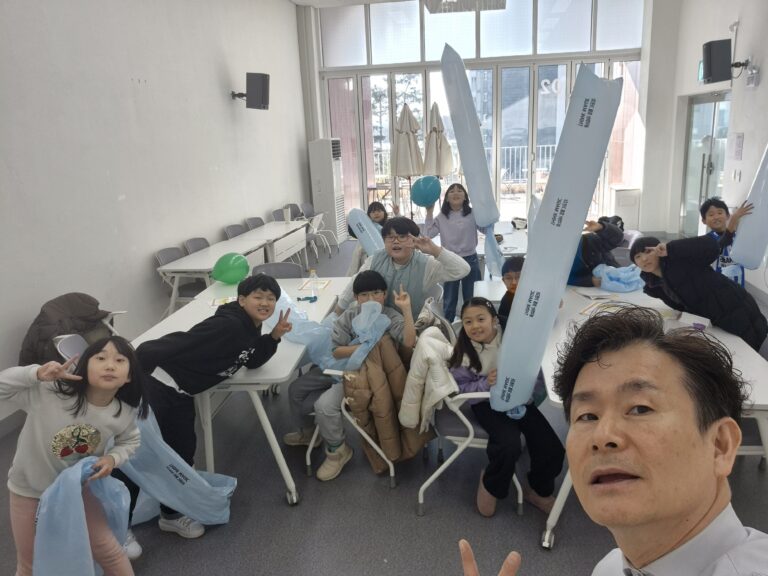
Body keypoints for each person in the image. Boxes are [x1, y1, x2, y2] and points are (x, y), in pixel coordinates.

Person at [553, 305, 768, 575]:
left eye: (640, 409)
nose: (602, 436)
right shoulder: (609, 568)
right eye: (587, 416)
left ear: (720, 446)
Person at [133, 274, 292, 539]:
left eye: (271, 298)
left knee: (183, 450)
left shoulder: (250, 326)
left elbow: (250, 359)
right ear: (242, 300)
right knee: (151, 454)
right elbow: (175, 343)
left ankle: (170, 512)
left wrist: (274, 336)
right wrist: (130, 371)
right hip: (159, 387)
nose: (265, 303)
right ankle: (129, 527)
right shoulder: (228, 326)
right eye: (258, 297)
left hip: (181, 393)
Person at [0, 336, 149, 576]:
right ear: (84, 366)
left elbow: (130, 441)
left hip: (78, 491)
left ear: (129, 376)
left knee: (109, 550)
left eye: (120, 361)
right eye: (101, 358)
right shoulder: (49, 392)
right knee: (29, 564)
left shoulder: (122, 413)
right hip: (28, 491)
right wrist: (35, 373)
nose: (110, 365)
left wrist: (112, 458)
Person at [284, 270, 416, 481]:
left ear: (385, 294)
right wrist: (367, 346)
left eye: (376, 293)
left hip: (364, 377)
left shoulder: (390, 316)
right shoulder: (349, 316)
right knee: (295, 389)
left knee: (324, 406)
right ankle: (308, 434)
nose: (370, 299)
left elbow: (409, 341)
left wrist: (407, 310)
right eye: (364, 295)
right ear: (356, 298)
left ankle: (337, 451)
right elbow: (336, 351)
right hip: (338, 367)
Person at [448, 297, 564, 518]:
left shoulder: (513, 338)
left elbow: (536, 370)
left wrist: (527, 394)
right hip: (485, 402)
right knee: (508, 444)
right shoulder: (463, 351)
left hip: (519, 399)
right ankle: (491, 484)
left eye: (480, 319)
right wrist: (485, 383)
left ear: (494, 320)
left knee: (551, 448)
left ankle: (537, 490)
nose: (474, 326)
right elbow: (459, 388)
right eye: (468, 322)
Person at [630, 235, 767, 352]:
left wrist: (671, 248)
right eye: (638, 256)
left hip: (733, 307)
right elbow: (683, 305)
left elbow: (712, 247)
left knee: (749, 349)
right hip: (715, 319)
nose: (644, 259)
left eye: (648, 251)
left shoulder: (679, 260)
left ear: (659, 249)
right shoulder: (653, 286)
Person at [336, 216, 471, 319]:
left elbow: (463, 270)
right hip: (377, 324)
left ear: (414, 239)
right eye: (390, 237)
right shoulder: (375, 259)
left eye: (402, 236)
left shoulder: (426, 264)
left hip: (410, 328)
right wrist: (337, 313)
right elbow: (355, 283)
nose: (396, 241)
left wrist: (435, 250)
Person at [424, 183, 483, 320]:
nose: (456, 193)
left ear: (465, 197)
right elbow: (428, 234)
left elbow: (485, 229)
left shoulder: (473, 213)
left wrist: (487, 213)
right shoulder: (442, 216)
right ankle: (448, 326)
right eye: (451, 191)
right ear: (446, 198)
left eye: (459, 190)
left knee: (472, 297)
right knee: (449, 298)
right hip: (449, 260)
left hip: (470, 258)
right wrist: (429, 212)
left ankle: (472, 324)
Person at [699, 197, 754, 286]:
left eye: (720, 213)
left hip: (738, 286)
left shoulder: (738, 237)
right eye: (711, 215)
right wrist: (734, 219)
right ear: (704, 220)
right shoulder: (707, 240)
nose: (716, 217)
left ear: (727, 216)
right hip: (717, 287)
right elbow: (722, 242)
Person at [567, 217, 624, 287]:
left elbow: (618, 237)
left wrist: (601, 227)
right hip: (582, 247)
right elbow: (618, 237)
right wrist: (601, 227)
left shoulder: (591, 240)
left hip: (572, 267)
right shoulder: (599, 246)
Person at [346, 201, 400, 276]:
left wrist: (397, 214)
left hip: (388, 255)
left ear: (384, 212)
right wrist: (353, 220)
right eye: (373, 212)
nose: (376, 213)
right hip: (367, 257)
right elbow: (354, 232)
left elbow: (400, 226)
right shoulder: (366, 226)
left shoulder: (389, 224)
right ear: (369, 215)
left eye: (379, 211)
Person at [497, 255, 524, 327]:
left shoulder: (536, 295)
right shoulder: (505, 302)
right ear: (503, 280)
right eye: (508, 278)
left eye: (518, 277)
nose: (514, 282)